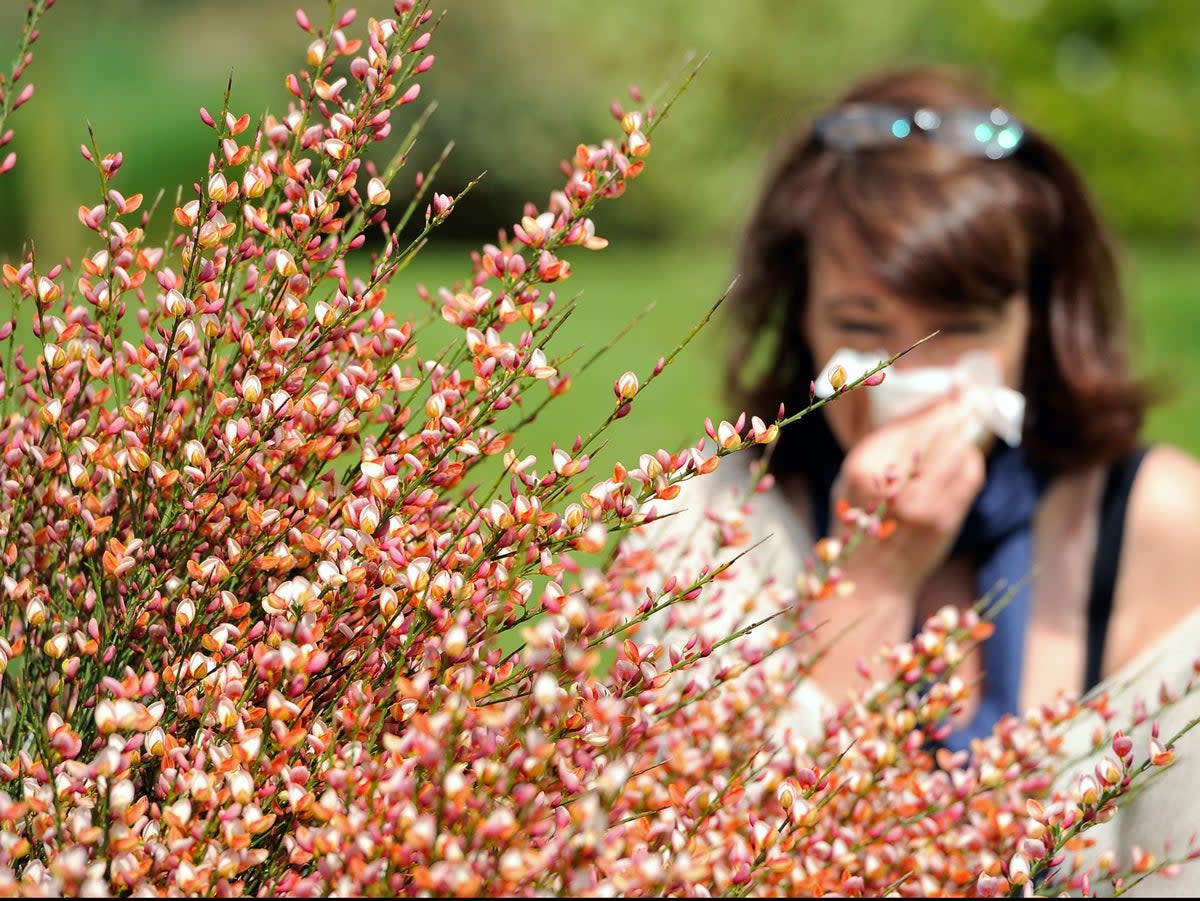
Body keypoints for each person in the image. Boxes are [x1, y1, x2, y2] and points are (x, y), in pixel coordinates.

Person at [638, 65, 1200, 892]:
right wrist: (866, 577)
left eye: (962, 330)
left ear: (1036, 322)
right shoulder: (708, 526)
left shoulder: (1160, 526)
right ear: (799, 316)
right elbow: (698, 867)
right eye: (863, 328)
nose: (914, 377)